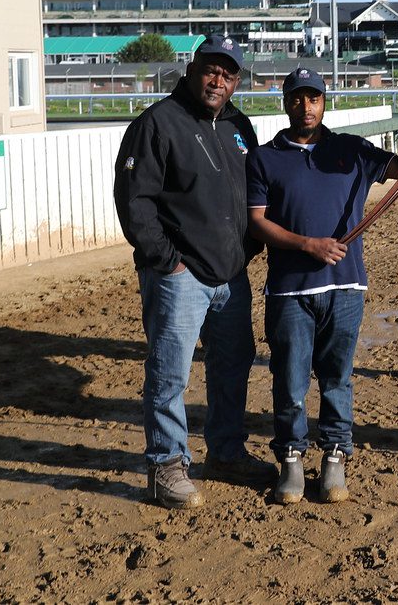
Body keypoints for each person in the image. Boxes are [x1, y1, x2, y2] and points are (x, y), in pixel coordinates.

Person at [246, 68, 398, 505]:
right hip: (290, 292)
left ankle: (335, 457)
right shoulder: (263, 158)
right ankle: (291, 459)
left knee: (337, 379)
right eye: (297, 98)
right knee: (290, 383)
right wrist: (308, 245)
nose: (305, 106)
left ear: (324, 102)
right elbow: (256, 223)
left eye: (313, 98)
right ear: (285, 102)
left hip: (346, 288)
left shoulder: (351, 150)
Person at [114, 34, 274, 510]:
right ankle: (166, 465)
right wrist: (168, 261)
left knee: (233, 364)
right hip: (179, 276)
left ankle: (225, 451)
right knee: (170, 372)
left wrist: (247, 251)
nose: (217, 81)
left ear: (237, 81)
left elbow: (255, 193)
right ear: (192, 68)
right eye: (210, 70)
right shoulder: (158, 124)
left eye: (228, 75)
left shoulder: (239, 127)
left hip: (230, 275)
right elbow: (134, 202)